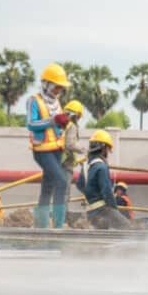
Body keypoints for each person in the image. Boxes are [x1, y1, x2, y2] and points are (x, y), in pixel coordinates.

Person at [26, 63, 72, 229]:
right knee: (61, 181)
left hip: (56, 150)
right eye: (56, 87)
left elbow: (57, 126)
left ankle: (41, 226)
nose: (58, 91)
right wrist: (53, 121)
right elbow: (31, 124)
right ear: (47, 84)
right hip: (42, 151)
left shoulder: (56, 102)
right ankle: (58, 226)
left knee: (48, 186)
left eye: (60, 88)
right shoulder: (34, 101)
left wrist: (63, 122)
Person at [76, 129, 132, 230]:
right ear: (103, 148)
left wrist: (91, 195)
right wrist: (115, 210)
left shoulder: (86, 165)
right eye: (108, 149)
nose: (108, 152)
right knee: (127, 227)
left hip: (90, 211)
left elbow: (79, 184)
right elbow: (106, 192)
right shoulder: (101, 166)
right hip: (103, 210)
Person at [61, 99, 87, 203]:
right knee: (64, 193)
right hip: (65, 164)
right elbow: (70, 144)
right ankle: (61, 218)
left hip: (57, 162)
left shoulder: (62, 125)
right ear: (76, 115)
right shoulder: (71, 126)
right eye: (79, 116)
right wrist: (84, 150)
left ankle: (57, 217)